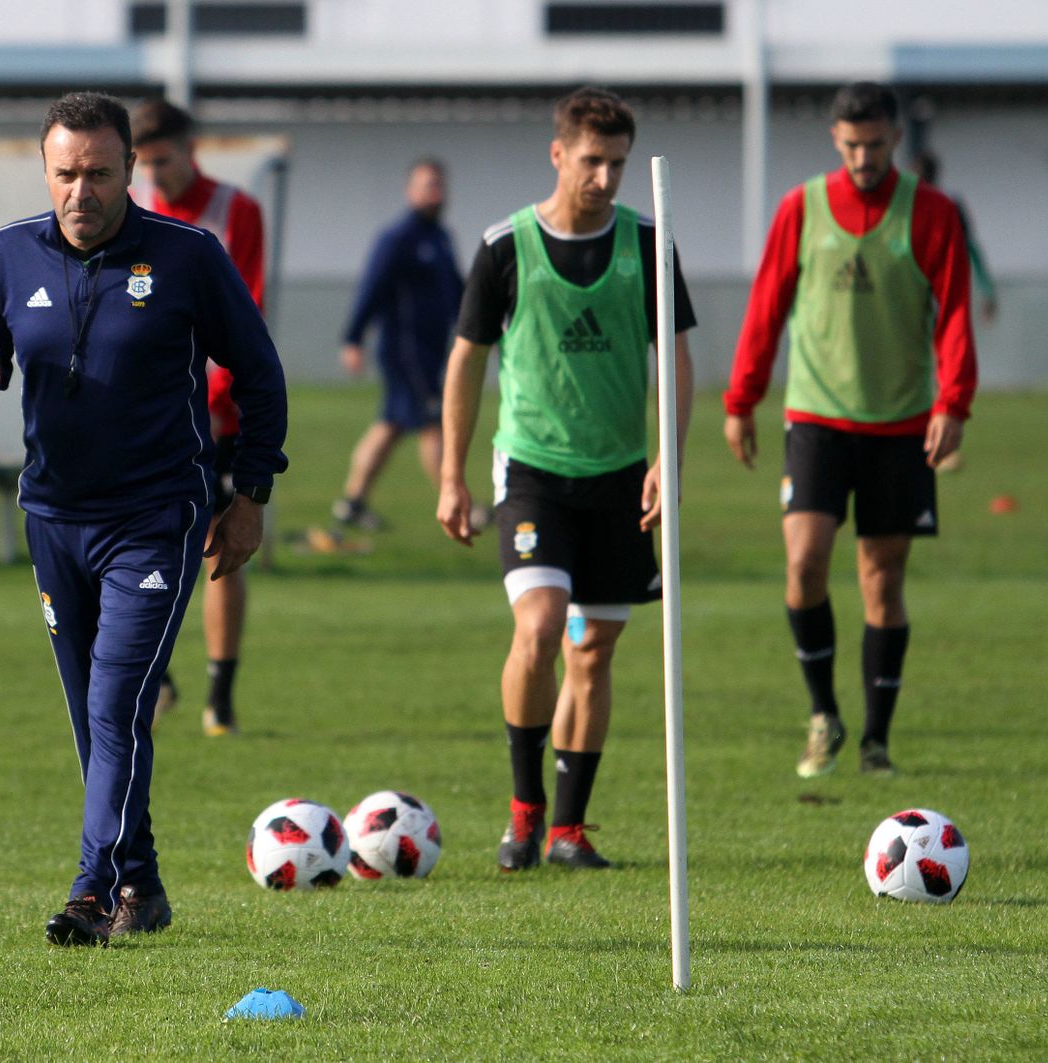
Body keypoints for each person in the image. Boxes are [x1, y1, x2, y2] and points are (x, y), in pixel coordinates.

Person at [0, 92, 287, 946]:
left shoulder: (188, 256)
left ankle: (90, 889)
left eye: (100, 173)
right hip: (51, 520)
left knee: (118, 705)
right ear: (46, 171)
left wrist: (250, 496)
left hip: (157, 516)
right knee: (91, 715)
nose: (82, 191)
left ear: (129, 170)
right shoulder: (3, 257)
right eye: (66, 173)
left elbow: (260, 374)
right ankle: (140, 884)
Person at [438, 87, 696, 872]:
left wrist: (667, 458)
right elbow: (465, 362)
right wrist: (452, 473)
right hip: (532, 472)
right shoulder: (505, 246)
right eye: (593, 161)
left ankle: (569, 831)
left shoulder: (647, 243)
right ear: (558, 154)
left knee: (595, 652)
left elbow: (676, 358)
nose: (607, 177)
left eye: (618, 163)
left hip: (619, 475)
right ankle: (524, 813)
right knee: (542, 626)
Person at [723, 81, 976, 780]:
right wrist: (741, 399)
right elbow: (766, 305)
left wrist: (953, 401)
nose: (863, 157)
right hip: (815, 419)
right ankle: (821, 715)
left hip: (900, 425)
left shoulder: (931, 212)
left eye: (875, 143)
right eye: (851, 144)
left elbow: (955, 311)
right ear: (836, 140)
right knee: (804, 562)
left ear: (896, 138)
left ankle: (876, 741)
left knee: (881, 580)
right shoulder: (800, 208)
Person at [130, 97, 269, 736]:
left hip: (221, 417)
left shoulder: (234, 210)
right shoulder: (132, 210)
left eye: (163, 160)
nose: (156, 175)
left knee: (222, 546)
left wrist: (212, 401)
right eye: (145, 164)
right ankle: (155, 680)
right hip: (154, 418)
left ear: (191, 148)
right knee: (143, 548)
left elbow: (245, 314)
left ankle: (221, 696)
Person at [332, 158, 465, 532]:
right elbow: (370, 288)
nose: (434, 192)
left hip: (432, 351)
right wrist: (353, 337)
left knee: (390, 425)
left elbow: (457, 291)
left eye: (439, 185)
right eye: (426, 185)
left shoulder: (440, 237)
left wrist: (484, 327)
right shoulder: (398, 238)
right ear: (411, 191)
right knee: (434, 423)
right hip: (406, 352)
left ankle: (352, 503)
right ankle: (454, 501)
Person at [915, 151, 997, 323]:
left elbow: (970, 246)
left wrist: (987, 291)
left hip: (943, 287)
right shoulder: (908, 207)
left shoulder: (949, 205)